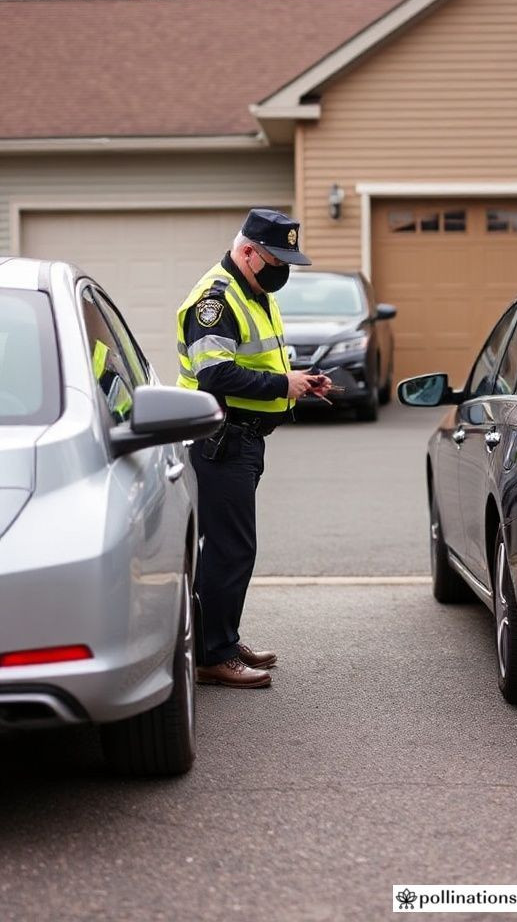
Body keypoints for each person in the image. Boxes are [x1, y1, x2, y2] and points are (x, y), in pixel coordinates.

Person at [176, 209, 332, 688]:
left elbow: (261, 357)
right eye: (274, 259)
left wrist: (298, 382)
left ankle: (219, 637)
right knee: (230, 549)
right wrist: (284, 383)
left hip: (242, 439)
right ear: (247, 252)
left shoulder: (254, 291)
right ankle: (213, 655)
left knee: (229, 548)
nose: (281, 269)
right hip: (219, 440)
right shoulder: (216, 300)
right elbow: (214, 373)